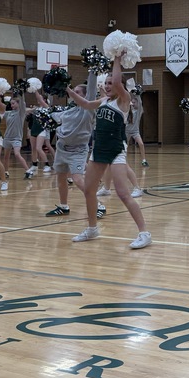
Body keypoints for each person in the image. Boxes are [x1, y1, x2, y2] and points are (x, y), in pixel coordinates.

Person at [68, 53, 151, 249]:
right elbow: (86, 104)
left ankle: (144, 233)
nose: (107, 85)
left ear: (118, 85)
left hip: (116, 150)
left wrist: (116, 59)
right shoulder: (103, 101)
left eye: (110, 83)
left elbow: (117, 81)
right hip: (98, 150)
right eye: (105, 83)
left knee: (123, 193)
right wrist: (68, 90)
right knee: (89, 190)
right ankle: (92, 228)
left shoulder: (124, 99)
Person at [42, 72, 105, 219]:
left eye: (77, 92)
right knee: (61, 177)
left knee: (77, 179)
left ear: (84, 96)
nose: (73, 94)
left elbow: (91, 90)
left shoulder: (88, 110)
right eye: (73, 92)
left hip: (77, 151)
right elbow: (52, 115)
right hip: (61, 149)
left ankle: (99, 204)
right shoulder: (68, 110)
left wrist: (92, 71)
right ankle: (63, 206)